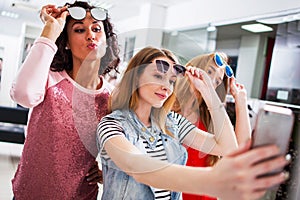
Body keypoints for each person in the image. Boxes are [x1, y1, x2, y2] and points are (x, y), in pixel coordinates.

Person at [96, 46, 289, 200]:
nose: (166, 86)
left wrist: (209, 93)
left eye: (172, 80)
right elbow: (139, 168)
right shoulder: (112, 125)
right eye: (157, 76)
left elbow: (228, 149)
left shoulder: (173, 124)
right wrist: (212, 180)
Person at [10, 1, 120, 199]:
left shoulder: (111, 97)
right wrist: (50, 30)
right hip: (30, 193)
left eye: (96, 28)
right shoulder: (50, 79)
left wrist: (108, 174)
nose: (90, 35)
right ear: (67, 43)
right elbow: (23, 94)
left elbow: (123, 150)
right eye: (79, 30)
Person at [173, 52, 251, 200]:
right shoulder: (166, 111)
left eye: (217, 81)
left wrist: (241, 101)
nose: (210, 81)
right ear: (194, 68)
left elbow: (240, 154)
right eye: (209, 71)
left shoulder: (211, 119)